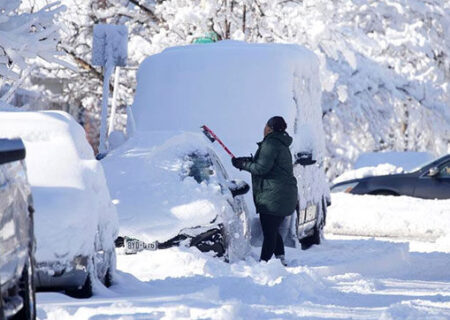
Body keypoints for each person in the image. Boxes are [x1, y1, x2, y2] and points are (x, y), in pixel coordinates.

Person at [231, 116, 298, 265]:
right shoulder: (281, 144)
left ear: (269, 128)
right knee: (273, 229)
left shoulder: (271, 144)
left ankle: (265, 264)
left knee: (269, 232)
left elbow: (261, 168)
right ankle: (280, 258)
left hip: (273, 195)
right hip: (283, 195)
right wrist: (248, 161)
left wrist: (243, 165)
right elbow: (267, 164)